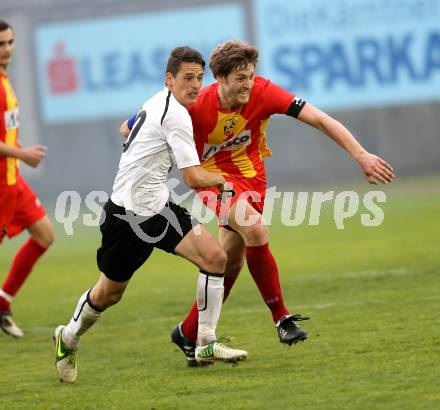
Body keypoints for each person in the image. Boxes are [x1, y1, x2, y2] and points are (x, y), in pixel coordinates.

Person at [121, 40, 395, 367]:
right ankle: (282, 318)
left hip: (253, 180)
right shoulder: (195, 106)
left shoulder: (263, 92)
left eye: (250, 76)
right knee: (256, 228)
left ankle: (187, 332)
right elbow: (129, 127)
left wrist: (360, 155)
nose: (248, 84)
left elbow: (319, 118)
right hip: (213, 180)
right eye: (240, 78)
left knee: (230, 263)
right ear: (219, 79)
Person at [54, 46, 248, 383]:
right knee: (108, 294)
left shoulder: (157, 101)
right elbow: (192, 177)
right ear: (169, 79)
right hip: (126, 218)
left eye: (199, 79)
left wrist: (144, 157)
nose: (194, 85)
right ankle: (68, 337)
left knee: (216, 257)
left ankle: (205, 341)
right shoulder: (175, 115)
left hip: (158, 209)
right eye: (188, 78)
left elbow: (124, 129)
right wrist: (225, 180)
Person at [0, 20, 54, 338]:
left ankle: (3, 303)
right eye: (1, 44)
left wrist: (19, 150)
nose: (7, 49)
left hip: (13, 182)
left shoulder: (5, 80)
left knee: (45, 235)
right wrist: (23, 155)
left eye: (10, 42)